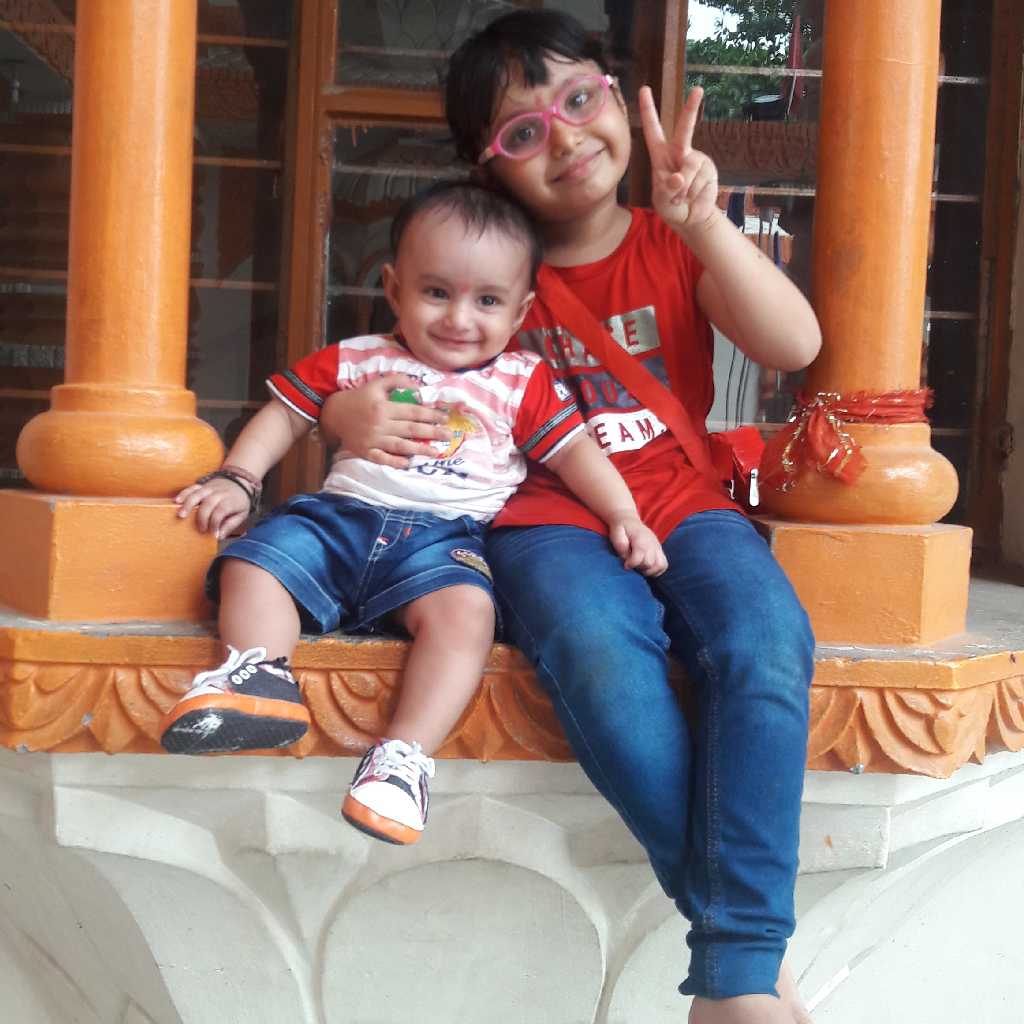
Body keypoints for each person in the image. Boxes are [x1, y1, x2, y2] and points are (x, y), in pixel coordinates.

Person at [318, 10, 821, 1023]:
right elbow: (366, 378)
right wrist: (343, 415)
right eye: (523, 131)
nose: (565, 137)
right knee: (598, 655)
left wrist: (702, 223)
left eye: (580, 99)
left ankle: (736, 971)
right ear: (486, 163)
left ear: (616, 97)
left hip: (683, 499)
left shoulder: (668, 242)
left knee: (766, 642)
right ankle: (744, 969)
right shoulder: (479, 274)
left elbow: (795, 344)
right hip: (540, 519)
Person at [160, 181, 667, 847]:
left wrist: (624, 514)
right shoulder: (357, 358)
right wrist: (238, 478)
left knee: (469, 615)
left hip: (443, 543)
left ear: (521, 311)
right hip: (340, 519)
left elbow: (575, 452)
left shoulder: (522, 381)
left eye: (487, 301)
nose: (459, 317)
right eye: (436, 292)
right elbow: (285, 415)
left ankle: (400, 761)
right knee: (256, 562)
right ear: (394, 289)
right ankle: (258, 673)